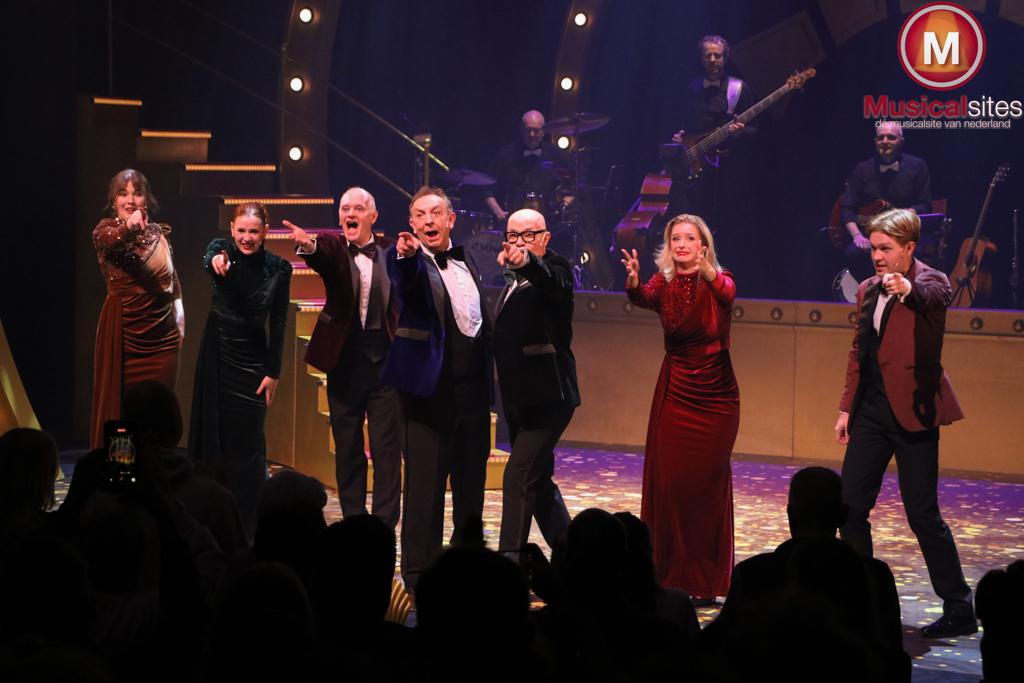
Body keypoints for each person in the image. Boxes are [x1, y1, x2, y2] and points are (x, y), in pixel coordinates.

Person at [833, 208, 974, 638]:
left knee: (922, 515)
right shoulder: (869, 289)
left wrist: (907, 287)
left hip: (914, 412)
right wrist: (846, 408)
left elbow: (930, 296)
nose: (877, 256)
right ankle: (864, 601)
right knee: (849, 509)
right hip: (871, 413)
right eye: (874, 248)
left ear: (909, 248)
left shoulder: (933, 280)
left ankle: (959, 606)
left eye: (886, 248)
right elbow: (859, 351)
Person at [621, 213, 739, 603]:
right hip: (676, 389)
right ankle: (670, 573)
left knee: (705, 487)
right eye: (676, 238)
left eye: (690, 238)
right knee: (671, 484)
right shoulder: (665, 281)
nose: (682, 244)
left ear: (703, 245)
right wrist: (634, 279)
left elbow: (726, 294)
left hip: (716, 396)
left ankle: (704, 580)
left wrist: (707, 272)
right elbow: (643, 298)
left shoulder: (720, 280)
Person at [381, 186, 492, 592]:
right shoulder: (406, 260)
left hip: (472, 395)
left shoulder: (468, 261)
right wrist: (407, 257)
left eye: (436, 213)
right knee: (425, 491)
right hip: (428, 395)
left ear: (451, 219)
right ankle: (418, 576)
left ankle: (467, 568)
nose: (428, 220)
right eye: (420, 215)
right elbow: (406, 283)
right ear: (411, 224)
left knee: (470, 488)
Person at [284, 187, 401, 531]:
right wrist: (309, 246)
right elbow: (320, 253)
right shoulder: (334, 247)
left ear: (373, 216)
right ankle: (354, 521)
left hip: (385, 363)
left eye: (358, 208)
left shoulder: (391, 250)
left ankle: (383, 525)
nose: (350, 213)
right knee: (348, 447)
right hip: (344, 362)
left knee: (386, 449)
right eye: (345, 208)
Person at [189, 201, 292, 540]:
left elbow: (279, 322)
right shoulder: (222, 252)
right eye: (242, 231)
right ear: (232, 230)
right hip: (219, 356)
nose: (247, 238)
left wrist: (273, 371)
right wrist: (215, 258)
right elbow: (210, 257)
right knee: (215, 441)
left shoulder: (278, 268)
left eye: (254, 232)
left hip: (253, 361)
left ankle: (249, 530)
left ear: (265, 232)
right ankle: (212, 525)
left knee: (249, 446)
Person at [493, 208, 579, 556]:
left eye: (528, 235)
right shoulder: (512, 281)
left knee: (518, 476)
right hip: (520, 399)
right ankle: (576, 556)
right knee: (538, 482)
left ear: (545, 238)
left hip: (549, 396)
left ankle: (507, 564)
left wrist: (528, 262)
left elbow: (552, 281)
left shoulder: (557, 269)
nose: (520, 242)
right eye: (513, 236)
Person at [91, 169, 183, 448]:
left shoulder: (157, 233)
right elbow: (110, 241)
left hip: (163, 338)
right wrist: (129, 228)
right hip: (125, 334)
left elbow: (171, 276)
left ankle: (158, 467)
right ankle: (123, 470)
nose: (130, 200)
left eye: (137, 193)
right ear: (114, 200)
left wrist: (179, 311)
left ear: (147, 199)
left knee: (159, 411)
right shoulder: (105, 231)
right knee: (123, 413)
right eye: (123, 193)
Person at [666, 36, 756, 283]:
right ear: (702, 58)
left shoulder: (739, 88)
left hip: (728, 171)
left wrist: (741, 132)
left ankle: (723, 280)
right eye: (708, 55)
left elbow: (756, 129)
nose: (713, 60)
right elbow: (681, 123)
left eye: (718, 55)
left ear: (725, 58)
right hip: (695, 171)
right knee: (694, 223)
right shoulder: (691, 88)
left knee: (726, 225)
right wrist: (679, 136)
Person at [839, 121, 932, 255]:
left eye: (891, 137)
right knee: (852, 254)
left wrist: (904, 215)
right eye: (880, 138)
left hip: (904, 233)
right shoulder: (862, 169)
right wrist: (857, 235)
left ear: (901, 142)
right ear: (875, 141)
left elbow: (925, 204)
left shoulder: (918, 166)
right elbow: (847, 208)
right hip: (869, 234)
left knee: (912, 252)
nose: (884, 141)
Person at [483, 110, 572, 223]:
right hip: (512, 222)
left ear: (544, 131)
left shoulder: (556, 155)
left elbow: (574, 185)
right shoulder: (506, 154)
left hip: (548, 223)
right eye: (528, 130)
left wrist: (563, 206)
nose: (532, 134)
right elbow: (486, 188)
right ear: (521, 129)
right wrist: (498, 212)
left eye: (536, 130)